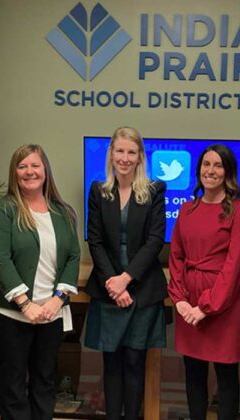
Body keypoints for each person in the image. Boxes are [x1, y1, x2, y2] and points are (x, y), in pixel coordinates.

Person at [0, 144, 80, 420]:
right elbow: (1, 260)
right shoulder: (3, 209)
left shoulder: (63, 212)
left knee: (45, 383)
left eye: (35, 165)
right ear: (15, 172)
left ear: (45, 170)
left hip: (50, 313)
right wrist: (26, 305)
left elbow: (73, 257)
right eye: (22, 166)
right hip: (12, 314)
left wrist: (56, 300)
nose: (29, 172)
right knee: (13, 386)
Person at [84, 127, 167, 420]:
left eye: (132, 152)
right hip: (108, 291)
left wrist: (126, 280)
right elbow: (94, 240)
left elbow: (155, 240)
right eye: (120, 151)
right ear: (111, 154)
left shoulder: (155, 190)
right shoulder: (98, 191)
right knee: (112, 364)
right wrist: (113, 284)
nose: (125, 157)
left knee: (134, 362)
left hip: (141, 289)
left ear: (140, 157)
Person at [167, 144, 240, 420]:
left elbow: (234, 266)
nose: (211, 171)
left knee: (226, 374)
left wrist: (205, 306)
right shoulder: (187, 210)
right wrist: (180, 299)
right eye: (206, 164)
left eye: (217, 165)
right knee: (193, 373)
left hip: (222, 305)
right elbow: (176, 256)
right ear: (199, 169)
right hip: (187, 305)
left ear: (228, 172)